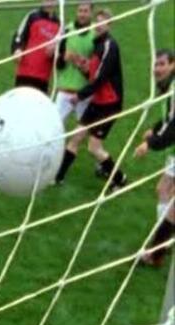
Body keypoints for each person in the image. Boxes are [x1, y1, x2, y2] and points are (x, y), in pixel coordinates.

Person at [54, 9, 126, 192]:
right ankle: (58, 177)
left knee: (94, 147)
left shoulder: (110, 46)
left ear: (110, 25)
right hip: (97, 101)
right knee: (76, 137)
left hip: (109, 104)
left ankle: (120, 179)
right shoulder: (97, 44)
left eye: (103, 22)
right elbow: (93, 74)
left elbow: (100, 78)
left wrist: (79, 95)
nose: (99, 25)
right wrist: (81, 64)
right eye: (98, 21)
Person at [134, 49, 174, 267]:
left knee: (172, 206)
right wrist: (155, 128)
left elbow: (173, 129)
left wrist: (150, 143)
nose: (157, 69)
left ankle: (156, 254)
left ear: (173, 65)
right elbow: (169, 118)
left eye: (162, 64)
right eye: (155, 64)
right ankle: (164, 243)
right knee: (163, 190)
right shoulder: (168, 87)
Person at [54, 2, 94, 121]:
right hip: (64, 91)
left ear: (91, 13)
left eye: (85, 11)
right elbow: (58, 65)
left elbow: (97, 67)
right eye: (80, 11)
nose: (82, 14)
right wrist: (63, 57)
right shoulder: (67, 30)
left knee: (86, 129)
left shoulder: (96, 33)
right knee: (54, 126)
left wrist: (76, 59)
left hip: (84, 93)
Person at [11, 0, 61, 94]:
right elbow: (19, 36)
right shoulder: (33, 16)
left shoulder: (59, 23)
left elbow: (60, 52)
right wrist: (17, 49)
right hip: (25, 73)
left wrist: (54, 52)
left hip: (43, 78)